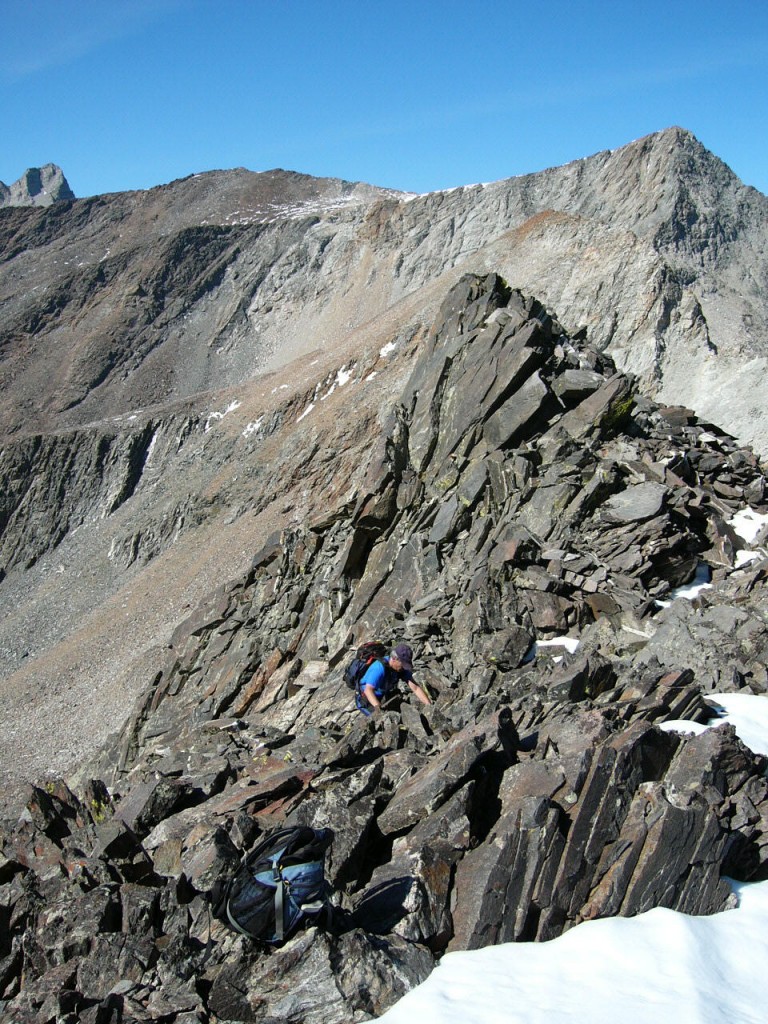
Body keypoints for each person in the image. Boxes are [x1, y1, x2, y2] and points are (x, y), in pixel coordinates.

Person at [357, 643, 431, 714]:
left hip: (382, 695)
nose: (403, 667)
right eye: (402, 664)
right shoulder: (379, 668)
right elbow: (368, 690)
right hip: (366, 699)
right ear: (394, 659)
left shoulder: (401, 669)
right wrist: (380, 711)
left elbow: (415, 688)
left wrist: (429, 705)